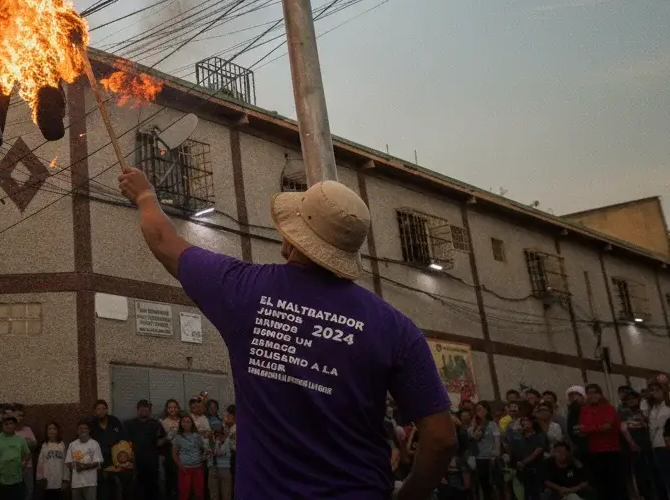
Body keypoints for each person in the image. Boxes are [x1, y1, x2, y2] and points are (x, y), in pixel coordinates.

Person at [118, 170, 455, 499]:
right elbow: (441, 438)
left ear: (293, 236)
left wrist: (145, 195)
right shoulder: (395, 327)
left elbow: (164, 241)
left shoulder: (243, 289)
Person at [576, 383, 626, 499]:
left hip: (611, 450)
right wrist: (594, 428)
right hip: (594, 452)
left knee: (617, 485)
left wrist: (589, 428)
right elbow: (581, 430)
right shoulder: (584, 410)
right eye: (589, 393)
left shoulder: (608, 408)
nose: (592, 395)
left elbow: (607, 427)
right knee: (600, 486)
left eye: (595, 392)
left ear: (600, 394)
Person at [123, 400, 166, 500]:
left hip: (152, 462)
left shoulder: (155, 423)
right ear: (138, 409)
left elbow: (162, 439)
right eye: (142, 407)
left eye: (147, 407)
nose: (144, 409)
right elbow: (124, 443)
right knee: (137, 489)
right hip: (135, 462)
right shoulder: (129, 424)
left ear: (150, 410)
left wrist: (166, 439)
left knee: (153, 488)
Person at [619, 389, 655, 500]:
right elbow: (623, 429)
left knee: (651, 472)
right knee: (639, 474)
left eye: (633, 398)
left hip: (648, 446)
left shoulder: (643, 411)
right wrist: (632, 443)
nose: (631, 401)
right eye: (628, 399)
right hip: (633, 449)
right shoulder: (623, 413)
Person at [85, 402, 122, 500]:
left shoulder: (115, 421)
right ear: (94, 412)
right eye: (98, 409)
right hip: (98, 464)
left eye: (103, 408)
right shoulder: (91, 424)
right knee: (101, 493)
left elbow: (123, 440)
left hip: (114, 462)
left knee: (115, 492)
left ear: (107, 410)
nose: (101, 411)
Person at [510, 416, 548, 500]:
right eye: (522, 421)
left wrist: (523, 463)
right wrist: (517, 463)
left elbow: (537, 452)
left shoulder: (540, 436)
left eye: (527, 420)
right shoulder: (519, 438)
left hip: (535, 471)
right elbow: (514, 453)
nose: (524, 422)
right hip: (521, 472)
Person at [468, 403, 501, 500]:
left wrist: (496, 454)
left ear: (486, 411)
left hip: (491, 457)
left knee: (494, 484)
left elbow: (497, 440)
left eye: (480, 409)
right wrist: (475, 425)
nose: (478, 411)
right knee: (483, 484)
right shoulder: (474, 425)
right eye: (477, 410)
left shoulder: (492, 424)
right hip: (479, 458)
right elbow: (473, 437)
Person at [169, 417, 204, 500]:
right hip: (185, 469)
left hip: (197, 468)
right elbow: (174, 454)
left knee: (199, 492)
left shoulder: (197, 436)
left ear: (192, 424)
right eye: (184, 422)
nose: (186, 424)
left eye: (188, 422)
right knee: (184, 493)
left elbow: (202, 449)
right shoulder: (177, 437)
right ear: (181, 424)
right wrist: (181, 466)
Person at [66, 422, 102, 500]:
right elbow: (68, 463)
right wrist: (76, 465)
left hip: (90, 482)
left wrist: (84, 466)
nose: (83, 430)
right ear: (77, 431)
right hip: (76, 483)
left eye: (85, 428)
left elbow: (97, 463)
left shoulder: (94, 444)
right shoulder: (72, 445)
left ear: (89, 431)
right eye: (80, 428)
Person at [36, 423, 67, 500]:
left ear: (57, 431)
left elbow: (65, 463)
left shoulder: (62, 445)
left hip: (59, 479)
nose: (51, 431)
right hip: (47, 480)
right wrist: (40, 478)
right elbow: (40, 463)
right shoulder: (44, 445)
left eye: (54, 428)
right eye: (49, 429)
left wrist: (66, 479)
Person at [158, 402, 180, 500]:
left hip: (182, 451)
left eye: (175, 407)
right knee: (169, 476)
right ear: (166, 409)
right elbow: (159, 441)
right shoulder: (163, 422)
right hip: (168, 451)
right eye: (170, 407)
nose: (172, 409)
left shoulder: (182, 420)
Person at [204, 428, 231, 500]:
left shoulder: (228, 442)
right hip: (212, 468)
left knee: (226, 495)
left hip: (224, 469)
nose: (218, 435)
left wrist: (214, 451)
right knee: (213, 495)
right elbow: (204, 456)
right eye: (216, 433)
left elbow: (220, 453)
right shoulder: (209, 442)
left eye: (220, 433)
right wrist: (206, 453)